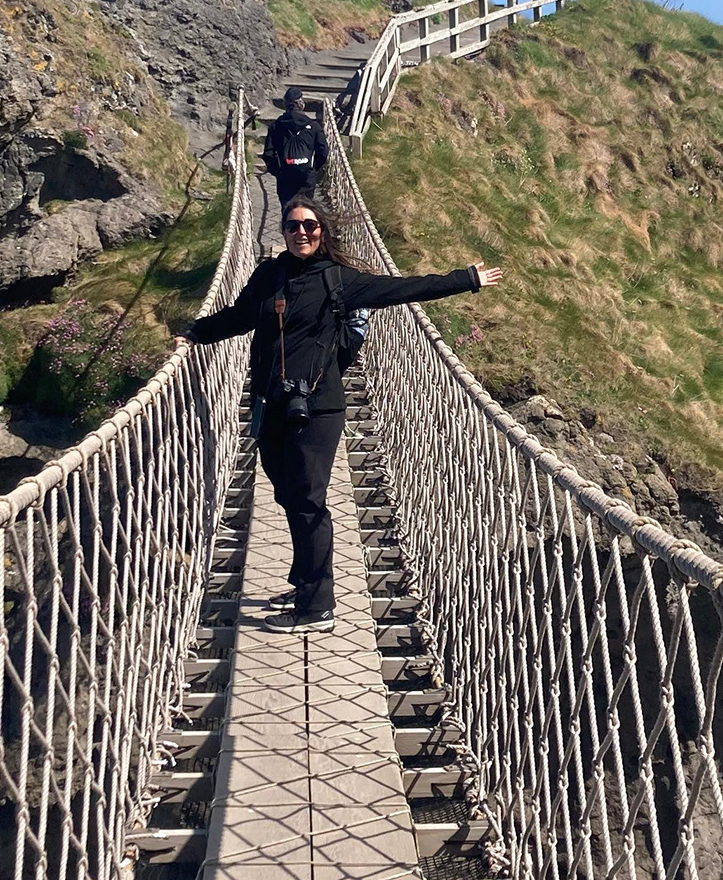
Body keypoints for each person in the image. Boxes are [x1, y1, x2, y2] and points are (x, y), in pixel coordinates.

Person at [183, 201, 500, 624]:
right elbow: (239, 318)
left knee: (309, 500)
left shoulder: (339, 280)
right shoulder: (268, 275)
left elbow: (403, 289)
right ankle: (303, 582)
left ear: (322, 231)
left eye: (310, 225)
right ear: (284, 230)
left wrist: (467, 279)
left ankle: (317, 607)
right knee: (288, 494)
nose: (301, 232)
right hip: (271, 402)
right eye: (293, 225)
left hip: (319, 407)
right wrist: (193, 335)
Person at [262, 89, 328, 211]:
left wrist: (278, 172)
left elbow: (268, 154)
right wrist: (312, 170)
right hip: (306, 178)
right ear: (301, 104)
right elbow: (323, 151)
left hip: (285, 178)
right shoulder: (314, 127)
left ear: (285, 105)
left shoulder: (276, 126)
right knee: (306, 211)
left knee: (288, 213)